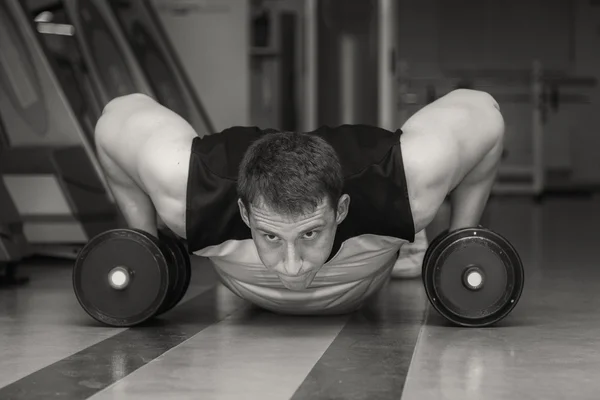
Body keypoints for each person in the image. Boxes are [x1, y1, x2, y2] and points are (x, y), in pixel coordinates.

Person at [94, 88, 504, 314]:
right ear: (243, 213)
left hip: (379, 241)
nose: (292, 266)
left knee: (413, 221)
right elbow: (115, 117)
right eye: (271, 236)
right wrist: (142, 239)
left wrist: (463, 236)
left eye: (310, 233)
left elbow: (484, 111)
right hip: (234, 193)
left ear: (341, 210)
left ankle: (417, 246)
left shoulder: (402, 186)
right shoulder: (192, 194)